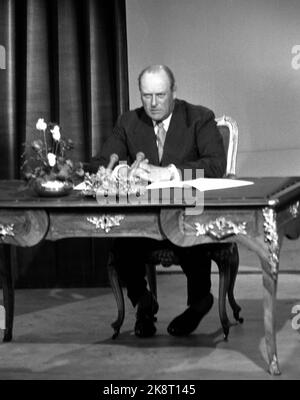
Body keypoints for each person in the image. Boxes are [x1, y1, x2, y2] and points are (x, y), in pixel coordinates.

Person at [93, 65, 226, 338]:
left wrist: (169, 173)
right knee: (121, 240)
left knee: (191, 237)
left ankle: (200, 302)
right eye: (146, 96)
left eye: (160, 95)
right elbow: (101, 162)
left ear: (173, 92)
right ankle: (143, 302)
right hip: (144, 219)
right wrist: (121, 171)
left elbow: (215, 166)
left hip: (188, 214)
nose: (153, 104)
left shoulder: (199, 117)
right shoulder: (129, 122)